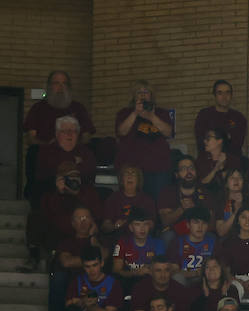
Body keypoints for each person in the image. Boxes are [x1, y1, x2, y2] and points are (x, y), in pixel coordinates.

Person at [24, 70, 94, 199]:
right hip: (46, 154)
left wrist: (71, 144)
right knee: (34, 153)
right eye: (56, 83)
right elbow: (31, 138)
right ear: (49, 86)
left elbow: (87, 136)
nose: (60, 87)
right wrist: (49, 145)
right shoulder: (38, 109)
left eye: (64, 83)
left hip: (74, 152)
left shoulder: (78, 108)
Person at [114, 80, 174, 197]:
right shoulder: (124, 113)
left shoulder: (161, 113)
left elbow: (168, 133)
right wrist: (135, 113)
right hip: (132, 169)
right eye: (139, 92)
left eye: (146, 92)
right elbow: (122, 131)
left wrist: (151, 116)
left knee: (158, 202)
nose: (142, 95)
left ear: (151, 95)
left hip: (158, 168)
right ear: (133, 96)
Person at [35, 116, 96, 193]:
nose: (69, 134)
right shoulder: (46, 153)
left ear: (78, 134)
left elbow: (90, 178)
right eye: (65, 131)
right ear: (57, 134)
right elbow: (41, 180)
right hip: (53, 193)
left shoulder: (86, 153)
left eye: (74, 131)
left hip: (82, 193)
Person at [157, 157, 215, 239]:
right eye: (183, 169)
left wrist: (197, 212)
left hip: (200, 232)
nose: (189, 172)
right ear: (176, 174)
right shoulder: (167, 192)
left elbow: (212, 225)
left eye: (191, 168)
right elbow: (165, 222)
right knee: (167, 236)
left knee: (211, 237)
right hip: (176, 234)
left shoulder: (206, 193)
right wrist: (181, 209)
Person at [193, 79, 249, 158]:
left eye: (227, 92)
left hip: (231, 160)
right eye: (220, 93)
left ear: (231, 95)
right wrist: (227, 136)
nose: (224, 97)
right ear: (214, 95)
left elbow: (236, 144)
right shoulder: (204, 115)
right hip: (207, 160)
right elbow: (201, 142)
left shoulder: (239, 118)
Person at [111, 208, 164, 286]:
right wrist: (135, 273)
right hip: (128, 282)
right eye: (137, 224)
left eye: (145, 224)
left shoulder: (158, 243)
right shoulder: (123, 243)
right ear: (131, 228)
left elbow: (161, 270)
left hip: (150, 283)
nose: (142, 229)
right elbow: (116, 270)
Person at [101, 166, 156, 237]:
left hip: (141, 239)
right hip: (118, 239)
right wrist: (115, 226)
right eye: (126, 174)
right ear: (121, 180)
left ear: (139, 180)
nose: (130, 176)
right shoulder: (113, 198)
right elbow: (105, 226)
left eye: (133, 174)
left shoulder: (147, 200)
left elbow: (152, 225)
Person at [171, 207, 217, 285]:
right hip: (184, 280)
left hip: (206, 280)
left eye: (204, 223)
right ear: (188, 225)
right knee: (177, 277)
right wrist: (195, 273)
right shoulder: (178, 242)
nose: (200, 227)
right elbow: (173, 271)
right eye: (196, 222)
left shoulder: (213, 242)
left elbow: (220, 267)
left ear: (208, 226)